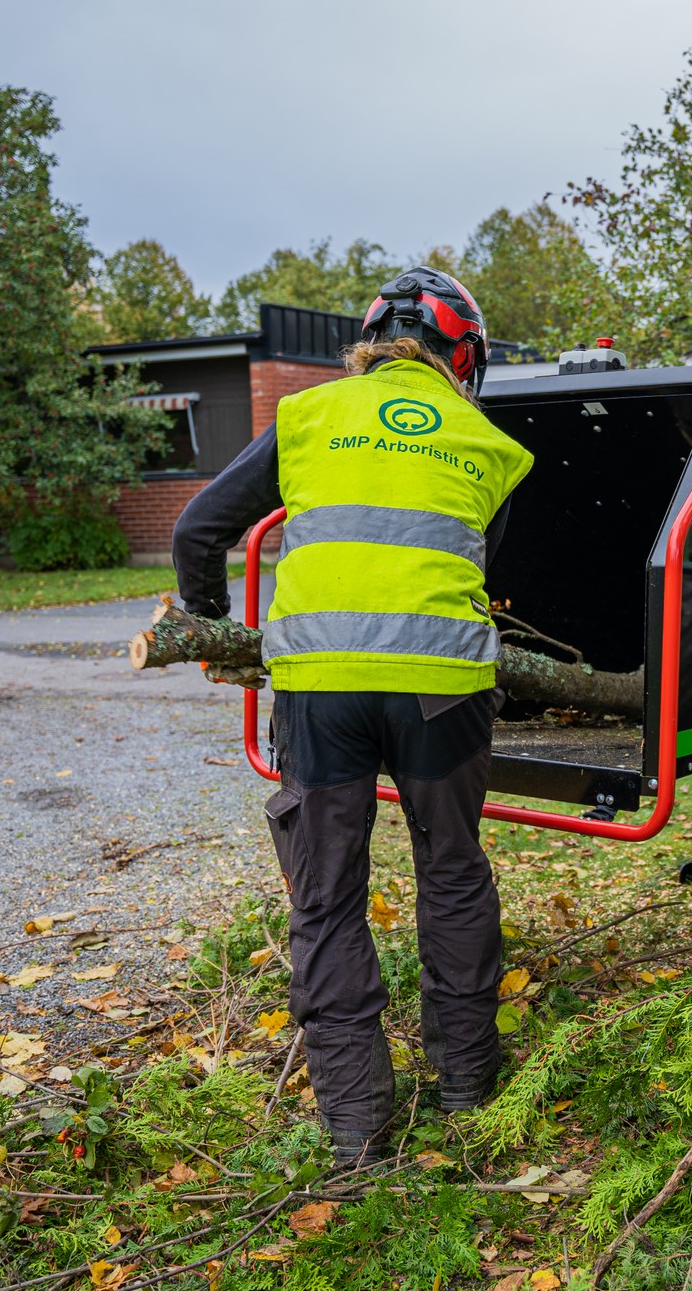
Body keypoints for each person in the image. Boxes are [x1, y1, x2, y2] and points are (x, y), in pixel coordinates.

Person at [170, 268, 533, 1163]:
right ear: (464, 355)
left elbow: (195, 531)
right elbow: (490, 572)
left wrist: (218, 635)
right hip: (442, 689)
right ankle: (466, 1091)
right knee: (450, 871)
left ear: (371, 342)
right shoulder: (486, 440)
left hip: (320, 687)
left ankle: (356, 1129)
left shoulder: (306, 418)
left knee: (327, 897)